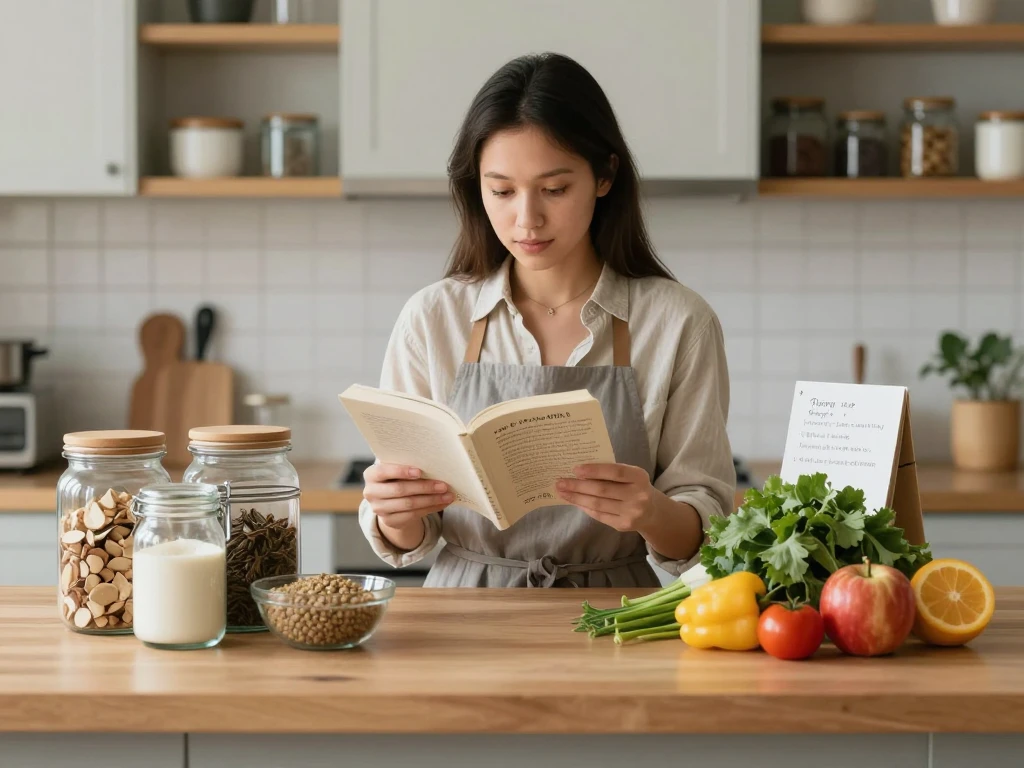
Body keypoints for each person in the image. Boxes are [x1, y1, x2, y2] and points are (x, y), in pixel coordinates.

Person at [357, 52, 735, 588]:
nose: (527, 219)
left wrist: (651, 512)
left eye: (554, 189)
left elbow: (706, 532)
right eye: (501, 190)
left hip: (614, 613)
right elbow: (410, 535)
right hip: (463, 613)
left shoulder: (679, 323)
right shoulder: (432, 318)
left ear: (605, 176)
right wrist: (396, 512)